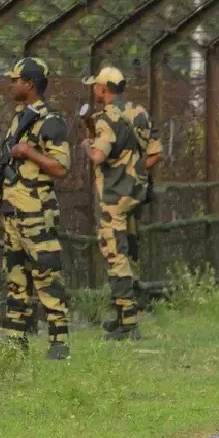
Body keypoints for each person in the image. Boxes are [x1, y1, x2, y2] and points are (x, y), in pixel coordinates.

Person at [0, 57, 72, 359]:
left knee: (46, 275)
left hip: (37, 212)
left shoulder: (51, 121)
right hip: (14, 211)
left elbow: (61, 168)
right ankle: (15, 340)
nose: (11, 84)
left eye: (15, 79)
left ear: (28, 84)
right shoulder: (19, 118)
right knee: (16, 278)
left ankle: (59, 341)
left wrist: (29, 151)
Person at [80, 66, 162, 340]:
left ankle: (128, 323)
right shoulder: (138, 112)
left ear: (103, 89)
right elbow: (154, 153)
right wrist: (135, 175)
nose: (94, 90)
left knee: (114, 253)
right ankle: (124, 314)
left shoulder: (105, 119)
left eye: (96, 86)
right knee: (130, 250)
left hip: (114, 197)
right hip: (134, 194)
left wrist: (86, 147)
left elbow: (98, 157)